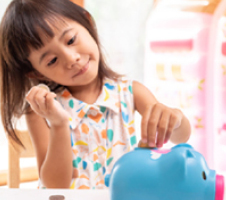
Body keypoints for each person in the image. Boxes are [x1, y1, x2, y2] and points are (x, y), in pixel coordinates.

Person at [0, 0, 191, 189]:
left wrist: (175, 119)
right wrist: (59, 125)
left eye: (71, 40)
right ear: (37, 73)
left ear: (88, 23)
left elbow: (180, 137)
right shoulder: (41, 112)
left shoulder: (131, 93)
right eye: (52, 60)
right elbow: (55, 186)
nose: (71, 58)